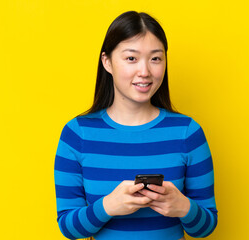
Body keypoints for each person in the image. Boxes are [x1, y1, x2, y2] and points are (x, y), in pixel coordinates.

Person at [54, 11, 218, 240]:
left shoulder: (188, 133)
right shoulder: (77, 134)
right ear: (107, 62)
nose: (145, 72)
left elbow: (206, 227)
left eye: (155, 58)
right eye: (131, 58)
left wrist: (183, 207)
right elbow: (68, 228)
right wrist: (108, 206)